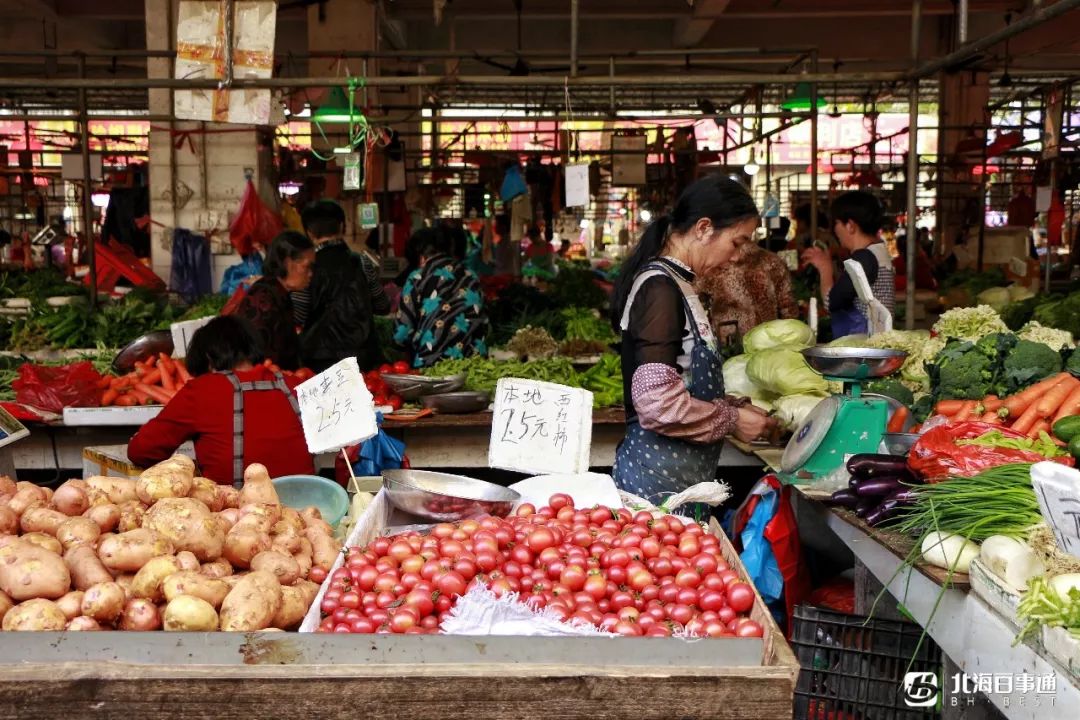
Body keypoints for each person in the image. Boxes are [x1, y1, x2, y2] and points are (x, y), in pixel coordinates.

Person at [610, 175, 777, 500]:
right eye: (737, 242)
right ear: (703, 228)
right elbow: (656, 403)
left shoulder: (677, 283)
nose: (737, 256)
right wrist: (731, 419)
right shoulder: (659, 288)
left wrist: (735, 407)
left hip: (677, 483)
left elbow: (680, 382)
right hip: (654, 488)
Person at [127, 316, 313, 485]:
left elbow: (142, 451)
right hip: (309, 510)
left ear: (208, 358)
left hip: (237, 516)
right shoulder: (296, 386)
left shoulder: (202, 390)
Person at [300, 200, 391, 373]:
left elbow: (299, 314)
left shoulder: (304, 268)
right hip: (361, 359)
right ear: (343, 226)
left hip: (319, 361)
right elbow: (382, 306)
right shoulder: (362, 262)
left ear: (309, 233)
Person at [801, 191, 895, 338]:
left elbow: (830, 302)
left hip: (863, 345)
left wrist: (824, 267)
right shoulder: (877, 251)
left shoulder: (863, 258)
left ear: (850, 226)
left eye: (837, 223)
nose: (835, 230)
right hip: (877, 340)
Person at [393, 227, 489, 368]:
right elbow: (484, 322)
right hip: (474, 365)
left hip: (432, 367)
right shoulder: (471, 275)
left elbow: (402, 332)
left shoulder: (417, 277)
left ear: (420, 255)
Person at [234, 230, 313, 370]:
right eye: (306, 267)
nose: (311, 274)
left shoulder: (279, 293)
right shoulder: (263, 299)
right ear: (288, 264)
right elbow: (256, 362)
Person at [697, 238, 800, 346]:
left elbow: (695, 306)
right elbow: (789, 312)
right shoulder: (773, 262)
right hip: (767, 344)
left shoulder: (714, 265)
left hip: (728, 346)